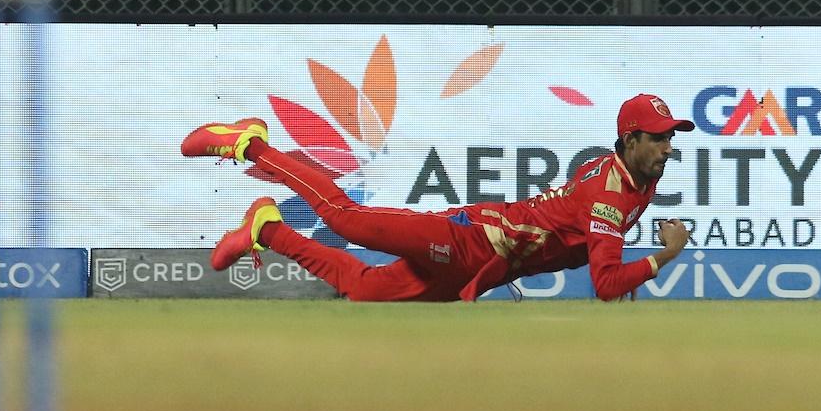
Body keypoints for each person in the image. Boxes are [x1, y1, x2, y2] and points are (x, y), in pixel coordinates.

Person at [180, 94, 693, 301]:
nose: (667, 147)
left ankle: (266, 228)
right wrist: (665, 255)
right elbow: (604, 284)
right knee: (346, 218)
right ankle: (249, 143)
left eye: (670, 137)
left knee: (363, 290)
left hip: (483, 266)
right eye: (657, 138)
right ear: (629, 140)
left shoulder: (634, 179)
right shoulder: (610, 195)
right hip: (467, 238)